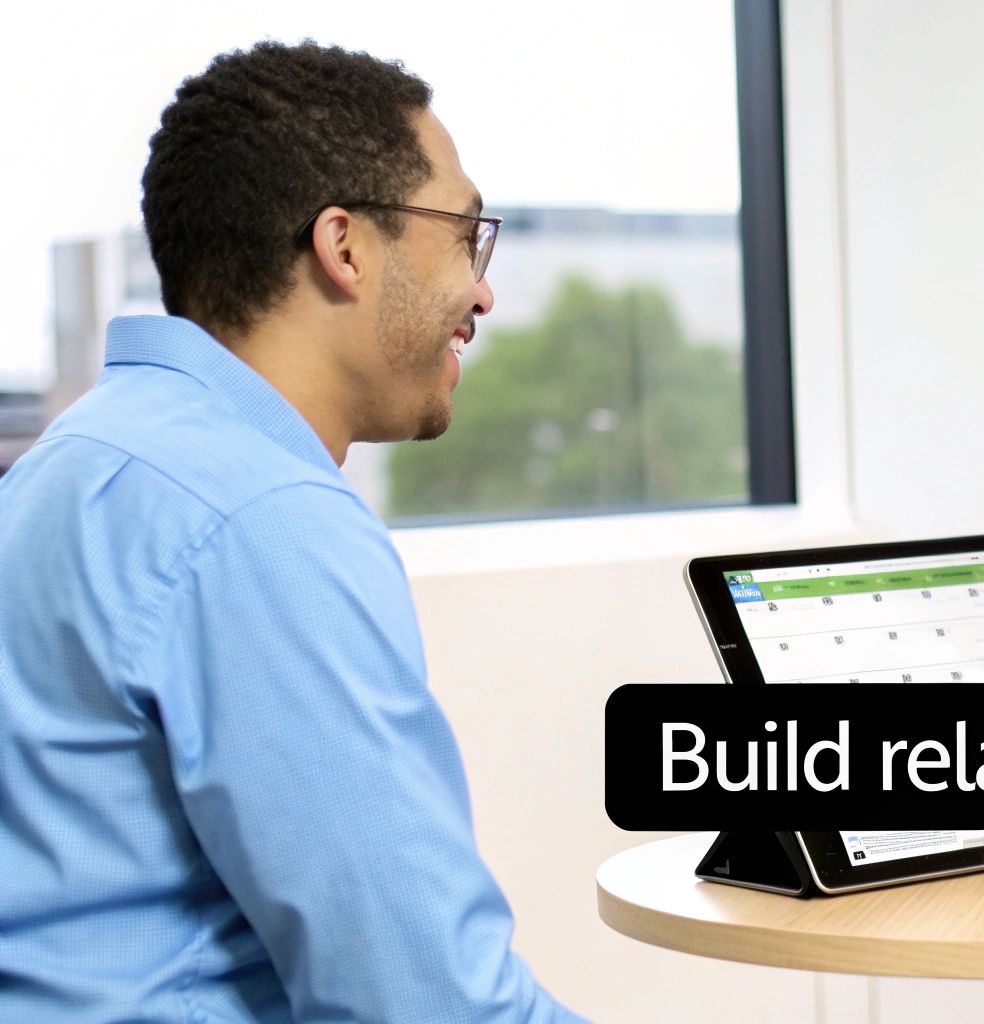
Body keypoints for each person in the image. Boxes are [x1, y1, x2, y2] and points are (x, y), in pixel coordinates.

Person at [0, 42, 586, 1022]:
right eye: (462, 236)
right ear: (344, 246)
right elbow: (425, 1000)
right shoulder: (256, 517)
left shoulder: (77, 465)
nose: (481, 292)